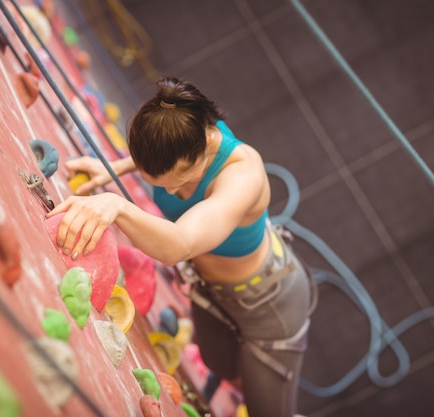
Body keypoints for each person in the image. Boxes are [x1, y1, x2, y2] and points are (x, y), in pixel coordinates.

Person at [46, 76, 313, 417]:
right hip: (212, 290)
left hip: (268, 304)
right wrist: (115, 166)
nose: (172, 193)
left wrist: (118, 206)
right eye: (158, 181)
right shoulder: (185, 124)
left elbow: (180, 244)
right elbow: (161, 155)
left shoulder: (243, 176)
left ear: (203, 149)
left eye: (182, 181)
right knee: (219, 362)